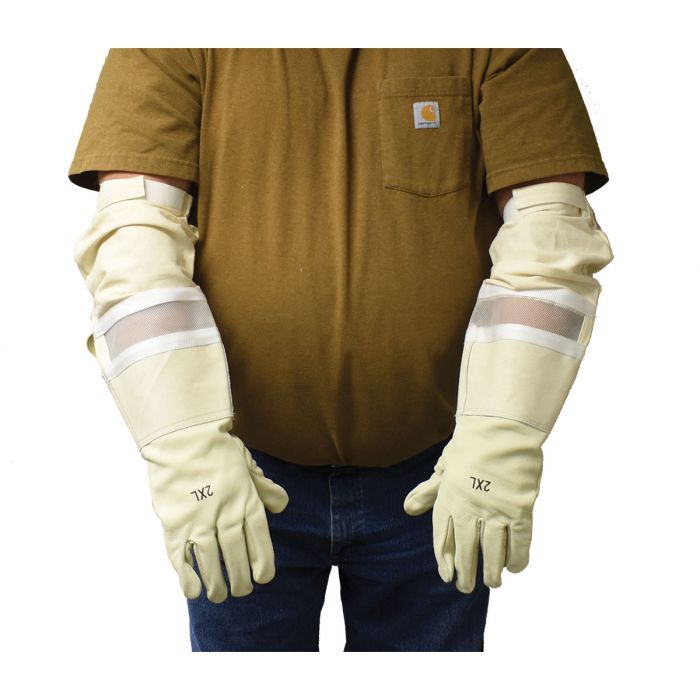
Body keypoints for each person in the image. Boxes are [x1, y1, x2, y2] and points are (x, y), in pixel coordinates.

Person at [68, 48, 612, 652]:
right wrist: (185, 447)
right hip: (238, 476)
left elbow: (549, 239)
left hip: (439, 476)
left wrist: (501, 436)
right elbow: (134, 249)